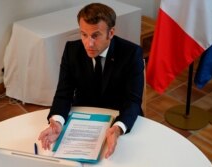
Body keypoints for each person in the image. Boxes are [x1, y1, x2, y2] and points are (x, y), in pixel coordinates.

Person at [38, 2, 144, 158]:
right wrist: (58, 122)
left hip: (118, 119)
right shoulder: (71, 50)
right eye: (84, 35)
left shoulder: (131, 53)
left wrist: (118, 128)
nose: (89, 43)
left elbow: (133, 101)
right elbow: (63, 94)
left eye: (95, 35)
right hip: (82, 121)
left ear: (111, 33)